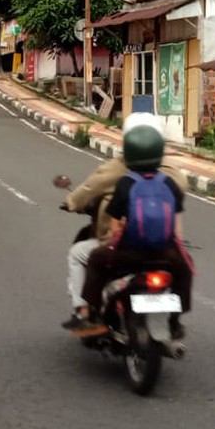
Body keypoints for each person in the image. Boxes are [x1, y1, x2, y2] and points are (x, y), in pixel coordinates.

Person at [59, 113, 187, 335]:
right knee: (185, 270)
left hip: (128, 251)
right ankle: (176, 321)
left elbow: (93, 193)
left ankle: (88, 314)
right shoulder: (170, 177)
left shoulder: (123, 177)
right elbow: (177, 221)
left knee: (86, 256)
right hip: (164, 250)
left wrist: (71, 202)